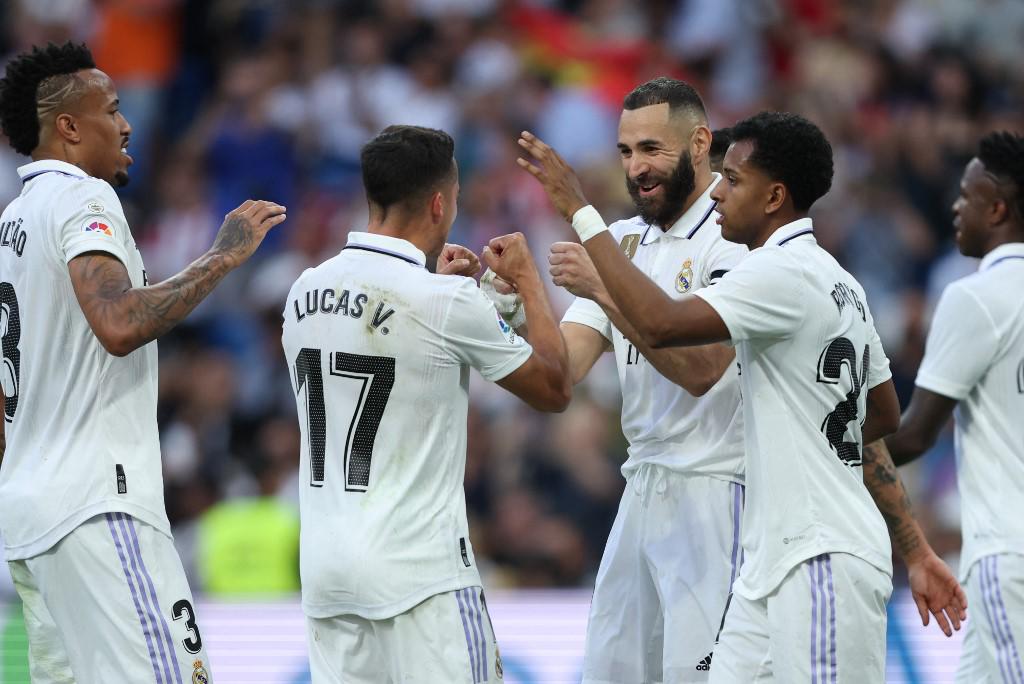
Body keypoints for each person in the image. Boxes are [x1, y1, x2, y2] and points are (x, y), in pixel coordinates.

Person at [511, 111, 967, 682]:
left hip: (805, 539)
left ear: (774, 195)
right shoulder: (839, 282)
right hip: (766, 549)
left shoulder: (772, 272)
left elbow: (664, 328)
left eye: (733, 180)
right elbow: (878, 416)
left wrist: (580, 214)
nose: (719, 194)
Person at [0, 42, 286, 682]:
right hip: (98, 504)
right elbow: (120, 322)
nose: (127, 124)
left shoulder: (12, 220)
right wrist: (223, 256)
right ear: (69, 128)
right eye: (112, 108)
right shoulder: (82, 201)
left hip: (29, 517)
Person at [280, 124, 571, 684]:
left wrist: (451, 293)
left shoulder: (303, 291)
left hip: (326, 572)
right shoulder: (444, 300)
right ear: (440, 203)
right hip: (420, 576)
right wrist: (528, 282)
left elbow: (394, 339)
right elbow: (555, 388)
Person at [529, 77, 747, 683]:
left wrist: (603, 283)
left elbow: (703, 370)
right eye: (626, 152)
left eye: (652, 149)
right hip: (642, 487)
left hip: (716, 489)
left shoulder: (734, 238)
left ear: (700, 142)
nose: (637, 168)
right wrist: (519, 295)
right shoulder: (622, 240)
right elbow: (561, 372)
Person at [869, 131, 1024, 682]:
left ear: (998, 207)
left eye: (967, 194)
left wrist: (821, 445)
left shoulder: (974, 296)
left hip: (1008, 554)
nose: (955, 207)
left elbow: (913, 436)